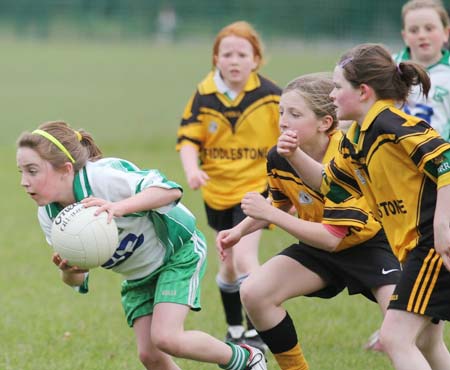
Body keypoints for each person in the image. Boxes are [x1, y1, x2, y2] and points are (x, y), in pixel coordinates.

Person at [16, 121, 267, 370]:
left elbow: (169, 191)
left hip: (177, 253)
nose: (24, 182)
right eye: (21, 172)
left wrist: (118, 207)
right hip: (137, 276)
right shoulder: (51, 216)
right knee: (150, 356)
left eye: (32, 170)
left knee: (167, 338)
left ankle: (245, 358)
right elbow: (78, 280)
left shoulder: (102, 177)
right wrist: (69, 270)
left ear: (65, 169)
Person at [278, 43, 450, 370]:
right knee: (426, 341)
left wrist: (443, 225)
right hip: (416, 247)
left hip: (429, 243)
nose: (331, 95)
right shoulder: (357, 137)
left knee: (396, 338)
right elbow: (328, 184)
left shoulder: (391, 125)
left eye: (337, 87)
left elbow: (447, 160)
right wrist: (294, 155)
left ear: (363, 92)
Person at [216, 73, 401, 370]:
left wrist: (271, 215)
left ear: (324, 123)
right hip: (319, 246)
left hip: (374, 245)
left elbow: (332, 235)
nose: (283, 121)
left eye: (295, 114)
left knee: (404, 334)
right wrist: (237, 231)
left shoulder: (348, 155)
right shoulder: (280, 156)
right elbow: (280, 202)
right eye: (280, 113)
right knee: (254, 292)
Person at [176, 21, 281, 351]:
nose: (234, 61)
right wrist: (193, 170)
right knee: (228, 264)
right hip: (217, 191)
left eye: (242, 54)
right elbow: (189, 139)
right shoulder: (204, 95)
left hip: (256, 188)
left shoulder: (271, 95)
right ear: (216, 59)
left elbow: (292, 135)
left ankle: (256, 330)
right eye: (227, 54)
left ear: (256, 59)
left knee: (247, 256)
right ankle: (235, 328)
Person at [393, 0, 450, 140]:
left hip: (439, 155)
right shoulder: (389, 66)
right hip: (395, 152)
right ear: (405, 36)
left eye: (429, 28)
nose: (422, 35)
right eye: (414, 30)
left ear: (446, 33)